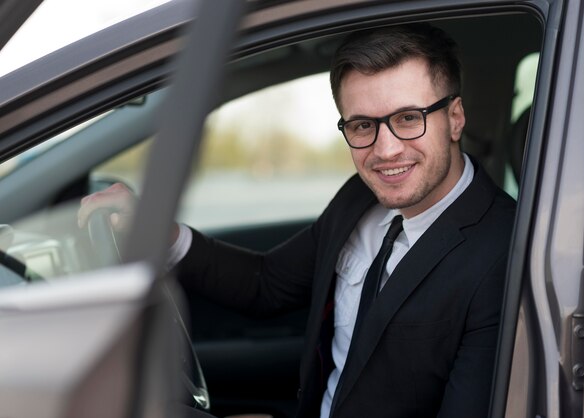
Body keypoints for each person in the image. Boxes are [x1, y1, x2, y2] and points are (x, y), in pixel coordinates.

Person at [78, 23, 515, 418]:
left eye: (407, 119)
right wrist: (162, 233)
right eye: (363, 125)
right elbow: (266, 284)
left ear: (454, 118)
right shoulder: (361, 196)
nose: (385, 151)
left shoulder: (506, 252)